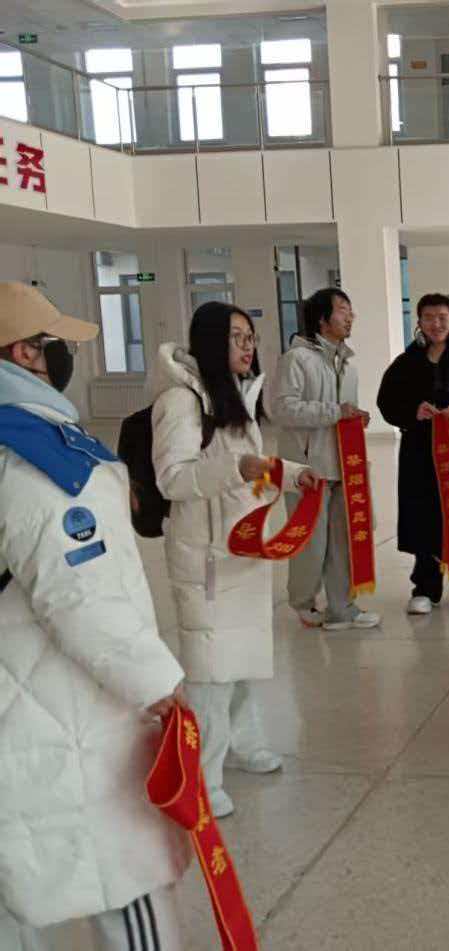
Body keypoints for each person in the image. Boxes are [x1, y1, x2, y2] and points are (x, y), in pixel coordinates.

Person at [0, 282, 189, 949]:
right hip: (58, 711)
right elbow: (80, 594)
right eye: (55, 343)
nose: (65, 356)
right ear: (26, 352)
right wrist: (158, 684)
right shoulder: (37, 458)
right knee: (122, 881)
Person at [152, 303, 319, 819]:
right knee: (210, 672)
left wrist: (291, 474)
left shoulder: (237, 397)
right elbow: (173, 480)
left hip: (242, 552)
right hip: (204, 558)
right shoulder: (180, 402)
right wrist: (236, 468)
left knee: (240, 661)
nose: (248, 347)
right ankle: (203, 775)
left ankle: (245, 744)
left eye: (251, 337)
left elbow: (252, 467)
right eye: (237, 337)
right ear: (210, 341)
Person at [268, 287, 381, 632]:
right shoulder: (296, 360)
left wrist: (354, 417)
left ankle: (341, 607)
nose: (350, 317)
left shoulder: (347, 364)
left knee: (342, 541)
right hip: (308, 468)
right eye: (343, 310)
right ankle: (304, 603)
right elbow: (282, 409)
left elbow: (341, 411)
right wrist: (335, 412)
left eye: (350, 310)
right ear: (322, 319)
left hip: (343, 465)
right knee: (311, 543)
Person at [377, 293, 449, 615]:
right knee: (424, 517)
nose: (436, 324)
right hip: (420, 456)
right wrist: (413, 411)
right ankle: (425, 587)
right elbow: (386, 403)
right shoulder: (405, 363)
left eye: (442, 317)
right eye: (429, 318)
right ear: (419, 322)